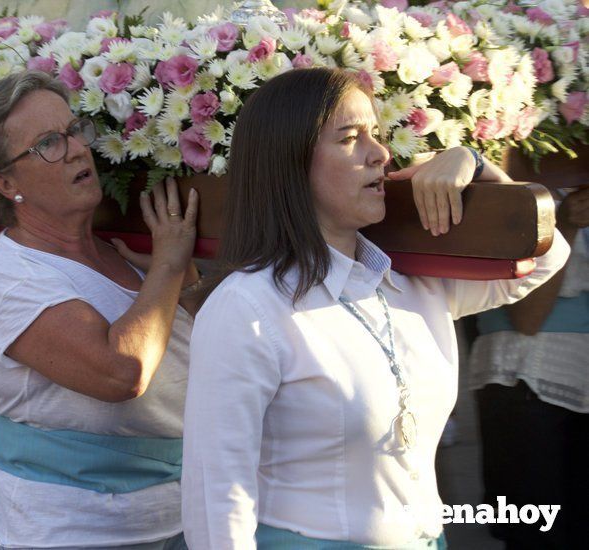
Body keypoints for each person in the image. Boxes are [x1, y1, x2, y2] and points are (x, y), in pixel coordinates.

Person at [180, 68, 571, 549]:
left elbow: (546, 258)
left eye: (378, 135)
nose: (380, 154)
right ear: (290, 161)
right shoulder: (248, 306)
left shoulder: (412, 286)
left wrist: (474, 162)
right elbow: (217, 493)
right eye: (350, 138)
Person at [0, 70, 199, 549]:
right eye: (49, 143)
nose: (76, 149)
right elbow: (122, 373)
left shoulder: (122, 256)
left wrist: (184, 280)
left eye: (74, 130)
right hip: (73, 531)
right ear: (6, 182)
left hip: (180, 517)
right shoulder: (11, 279)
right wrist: (170, 265)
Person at [468, 186, 589, 549]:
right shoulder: (512, 170)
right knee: (537, 532)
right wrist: (565, 224)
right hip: (526, 376)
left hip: (572, 376)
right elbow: (527, 318)